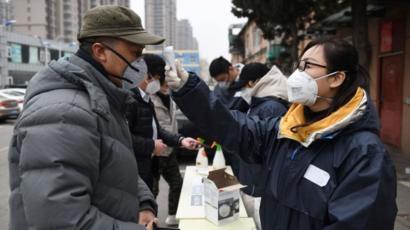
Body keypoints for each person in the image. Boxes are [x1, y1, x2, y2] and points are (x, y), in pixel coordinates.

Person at [165, 37, 397, 230]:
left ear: (337, 78)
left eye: (308, 66)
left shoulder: (364, 153)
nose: (298, 74)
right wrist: (189, 89)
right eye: (299, 65)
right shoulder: (286, 129)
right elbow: (234, 127)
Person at [8, 5, 164, 230]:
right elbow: (61, 220)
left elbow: (115, 167)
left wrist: (143, 203)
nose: (141, 65)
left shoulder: (101, 100)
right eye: (135, 54)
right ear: (100, 51)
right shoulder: (65, 114)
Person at [125, 53, 197, 193]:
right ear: (147, 76)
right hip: (134, 169)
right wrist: (152, 145)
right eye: (158, 79)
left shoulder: (146, 100)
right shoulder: (129, 100)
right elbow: (123, 137)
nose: (158, 85)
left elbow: (157, 131)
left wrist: (181, 140)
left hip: (147, 163)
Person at [150, 56, 185, 225]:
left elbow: (171, 124)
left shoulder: (169, 97)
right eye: (164, 83)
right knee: (152, 192)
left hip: (170, 151)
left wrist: (179, 140)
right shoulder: (149, 99)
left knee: (177, 183)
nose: (166, 86)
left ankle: (172, 215)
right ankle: (150, 222)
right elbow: (156, 129)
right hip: (155, 153)